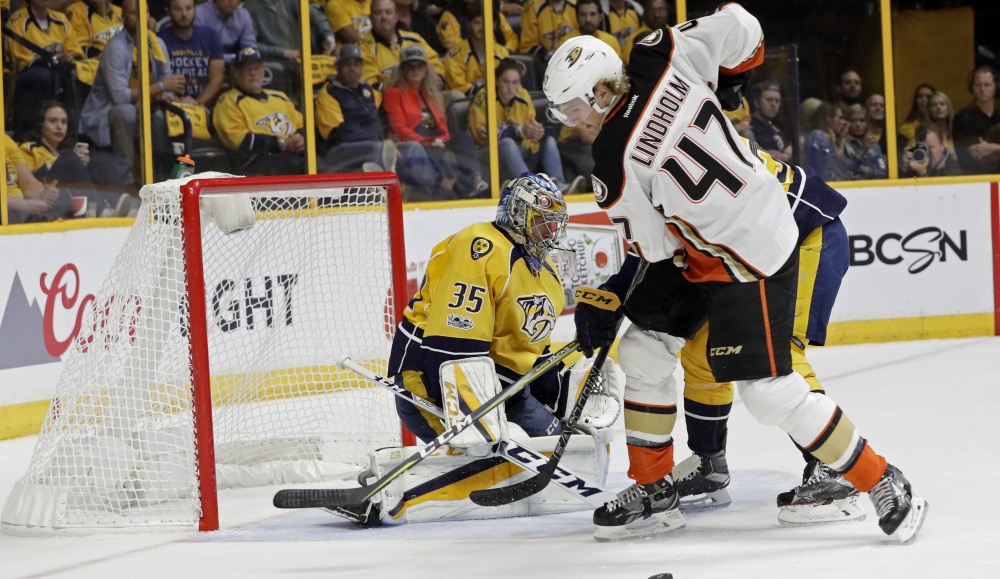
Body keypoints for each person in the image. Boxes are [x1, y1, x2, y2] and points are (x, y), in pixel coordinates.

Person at [543, 6, 926, 543]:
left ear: (604, 91)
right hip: (755, 227)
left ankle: (880, 477)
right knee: (645, 349)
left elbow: (654, 246)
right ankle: (654, 487)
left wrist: (620, 294)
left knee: (770, 390)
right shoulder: (659, 55)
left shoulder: (610, 160)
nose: (572, 121)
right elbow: (744, 25)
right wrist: (730, 75)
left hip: (749, 260)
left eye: (574, 107)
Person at [325, 173, 617, 527]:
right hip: (432, 382)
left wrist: (560, 400)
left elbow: (532, 353)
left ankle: (423, 474)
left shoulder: (546, 272)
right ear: (518, 215)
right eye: (542, 222)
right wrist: (471, 423)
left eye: (555, 224)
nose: (551, 233)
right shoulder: (480, 246)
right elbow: (452, 348)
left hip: (504, 391)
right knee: (491, 458)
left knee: (566, 452)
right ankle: (386, 498)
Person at [614, 138, 863, 526]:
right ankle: (709, 463)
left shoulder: (661, 165)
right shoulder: (659, 151)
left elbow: (656, 248)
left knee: (777, 352)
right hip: (742, 249)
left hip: (806, 235)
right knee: (701, 351)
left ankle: (833, 470)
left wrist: (619, 293)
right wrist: (617, 291)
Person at [79, 0, 182, 182]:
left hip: (146, 107)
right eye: (135, 13)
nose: (143, 17)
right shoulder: (115, 48)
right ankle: (124, 179)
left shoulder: (157, 44)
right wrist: (161, 88)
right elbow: (120, 98)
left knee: (166, 111)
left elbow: (170, 90)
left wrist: (164, 93)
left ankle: (165, 177)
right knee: (126, 112)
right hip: (107, 114)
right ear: (123, 18)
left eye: (146, 12)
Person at [383, 44, 487, 200]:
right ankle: (448, 187)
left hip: (436, 144)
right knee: (440, 155)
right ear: (402, 70)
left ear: (426, 69)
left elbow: (443, 129)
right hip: (415, 143)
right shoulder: (393, 93)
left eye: (419, 65)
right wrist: (430, 141)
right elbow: (400, 129)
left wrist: (440, 140)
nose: (415, 70)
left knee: (464, 137)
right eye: (410, 66)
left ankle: (476, 181)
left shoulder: (433, 95)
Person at [469, 58, 580, 192]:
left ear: (520, 83)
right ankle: (532, 189)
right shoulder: (484, 98)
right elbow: (482, 135)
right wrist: (518, 130)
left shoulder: (523, 95)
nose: (510, 87)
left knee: (549, 141)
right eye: (505, 82)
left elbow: (530, 124)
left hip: (518, 151)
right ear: (497, 81)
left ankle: (559, 187)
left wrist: (536, 132)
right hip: (488, 155)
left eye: (515, 82)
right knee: (508, 143)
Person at [19, 101, 131, 217]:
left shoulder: (65, 152)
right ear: (41, 124)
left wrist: (81, 164)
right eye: (53, 121)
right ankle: (101, 211)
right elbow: (27, 180)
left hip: (65, 192)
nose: (59, 127)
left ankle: (116, 204)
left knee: (99, 160)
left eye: (64, 122)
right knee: (69, 158)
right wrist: (58, 162)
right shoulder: (28, 147)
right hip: (43, 192)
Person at [212, 47, 305, 176]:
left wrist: (300, 139)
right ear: (236, 74)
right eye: (247, 69)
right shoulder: (229, 100)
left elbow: (301, 125)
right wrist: (282, 144)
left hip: (291, 155)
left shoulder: (280, 96)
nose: (253, 73)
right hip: (256, 161)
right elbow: (237, 140)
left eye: (257, 68)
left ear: (263, 71)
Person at [6, 0, 84, 137]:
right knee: (43, 76)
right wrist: (50, 61)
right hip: (27, 76)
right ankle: (30, 133)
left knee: (77, 75)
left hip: (58, 72)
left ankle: (74, 136)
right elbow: (22, 61)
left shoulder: (61, 19)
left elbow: (76, 51)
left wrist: (70, 58)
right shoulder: (18, 20)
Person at [315, 44, 395, 174]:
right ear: (337, 66)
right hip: (339, 151)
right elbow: (336, 133)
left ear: (362, 66)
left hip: (370, 147)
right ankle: (381, 192)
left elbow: (379, 122)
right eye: (346, 64)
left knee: (411, 148)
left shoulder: (369, 91)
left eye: (356, 64)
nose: (352, 68)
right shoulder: (329, 93)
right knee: (381, 150)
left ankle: (425, 193)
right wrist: (376, 139)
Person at [361, 0, 446, 90]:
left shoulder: (415, 39)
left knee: (455, 96)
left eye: (388, 12)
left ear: (396, 17)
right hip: (391, 98)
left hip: (425, 92)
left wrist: (433, 83)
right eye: (378, 13)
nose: (384, 17)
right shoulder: (364, 48)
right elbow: (370, 84)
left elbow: (435, 64)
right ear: (370, 18)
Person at [159, 0, 225, 110]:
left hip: (203, 105)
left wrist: (197, 104)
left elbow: (217, 78)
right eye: (178, 9)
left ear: (195, 9)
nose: (184, 14)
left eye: (188, 8)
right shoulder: (159, 40)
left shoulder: (211, 36)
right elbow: (155, 82)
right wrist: (181, 103)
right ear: (169, 11)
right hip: (169, 106)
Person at [443, 6, 510, 96]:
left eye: (486, 22)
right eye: (477, 23)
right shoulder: (456, 53)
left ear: (494, 25)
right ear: (469, 24)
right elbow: (457, 86)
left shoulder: (502, 52)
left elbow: (508, 81)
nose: (482, 28)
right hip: (467, 102)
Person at [243, 0, 336, 62]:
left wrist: (329, 38)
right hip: (269, 62)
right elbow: (250, 46)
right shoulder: (250, 7)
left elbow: (317, 17)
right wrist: (284, 52)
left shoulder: (292, 1)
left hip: (299, 60)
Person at [4, 133, 65, 224]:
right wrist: (24, 205)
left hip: (20, 212)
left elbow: (27, 182)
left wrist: (44, 193)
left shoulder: (4, 140)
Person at [953, 66, 1000, 174]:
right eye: (978, 85)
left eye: (987, 85)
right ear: (971, 87)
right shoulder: (962, 118)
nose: (982, 89)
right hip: (978, 180)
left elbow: (987, 154)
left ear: (996, 86)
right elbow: (973, 158)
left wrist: (993, 148)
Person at [437, 0, 517, 53]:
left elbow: (511, 37)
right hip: (467, 62)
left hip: (498, 59)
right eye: (477, 23)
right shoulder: (450, 15)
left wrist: (506, 51)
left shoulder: (491, 11)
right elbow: (453, 46)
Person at [194, 0, 257, 65]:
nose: (231, 1)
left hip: (236, 67)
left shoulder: (244, 15)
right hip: (206, 66)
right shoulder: (198, 15)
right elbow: (198, 53)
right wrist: (234, 58)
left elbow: (250, 50)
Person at [519, 0, 577, 66]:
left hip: (574, 58)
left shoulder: (577, 4)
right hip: (544, 62)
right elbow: (528, 46)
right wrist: (549, 56)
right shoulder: (532, 6)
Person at [803, 102, 851, 182]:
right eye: (840, 118)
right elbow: (827, 174)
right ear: (829, 119)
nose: (844, 122)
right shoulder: (818, 137)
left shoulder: (832, 141)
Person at [749, 80, 791, 163]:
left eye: (777, 101)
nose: (774, 104)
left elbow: (790, 149)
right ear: (757, 103)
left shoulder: (774, 127)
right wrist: (787, 157)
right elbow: (768, 155)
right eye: (769, 100)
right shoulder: (752, 126)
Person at [843, 103, 886, 180]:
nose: (858, 124)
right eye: (853, 120)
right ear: (847, 122)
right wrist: (862, 150)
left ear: (867, 122)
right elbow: (846, 168)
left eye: (862, 120)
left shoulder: (873, 144)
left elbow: (882, 173)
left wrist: (866, 170)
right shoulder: (842, 144)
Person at [622, 0, 668, 65]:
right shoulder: (634, 39)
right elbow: (632, 65)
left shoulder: (674, 34)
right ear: (644, 13)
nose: (657, 15)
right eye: (652, 10)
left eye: (660, 9)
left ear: (667, 12)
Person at [898, 83, 935, 147]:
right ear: (915, 101)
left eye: (928, 97)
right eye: (920, 96)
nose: (924, 99)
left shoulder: (942, 127)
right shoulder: (905, 128)